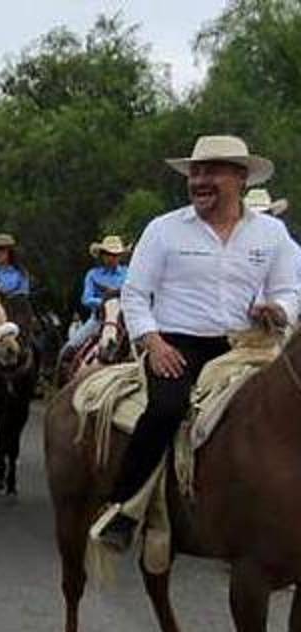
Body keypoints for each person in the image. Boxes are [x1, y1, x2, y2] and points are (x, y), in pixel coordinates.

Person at [94, 135, 301, 551]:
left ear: (240, 179)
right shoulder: (164, 230)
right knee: (166, 408)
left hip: (249, 345)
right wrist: (152, 343)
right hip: (178, 344)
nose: (200, 180)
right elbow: (134, 295)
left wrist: (278, 310)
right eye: (196, 173)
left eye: (212, 172)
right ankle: (124, 508)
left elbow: (290, 290)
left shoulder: (273, 234)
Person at [59, 235, 129, 363]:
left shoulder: (128, 273)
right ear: (102, 255)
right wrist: (106, 303)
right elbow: (86, 298)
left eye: (116, 254)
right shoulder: (93, 274)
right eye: (108, 254)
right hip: (98, 319)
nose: (112, 258)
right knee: (67, 351)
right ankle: (61, 380)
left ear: (120, 256)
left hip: (127, 320)